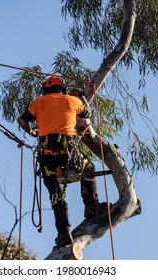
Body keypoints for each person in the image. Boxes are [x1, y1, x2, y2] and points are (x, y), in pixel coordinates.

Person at [17, 75, 105, 247]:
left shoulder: (38, 103)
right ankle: (91, 206)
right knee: (89, 168)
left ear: (46, 89)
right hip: (68, 157)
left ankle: (64, 233)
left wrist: (32, 132)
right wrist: (81, 96)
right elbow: (87, 114)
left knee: (57, 195)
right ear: (61, 89)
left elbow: (21, 120)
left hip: (47, 159)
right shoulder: (72, 100)